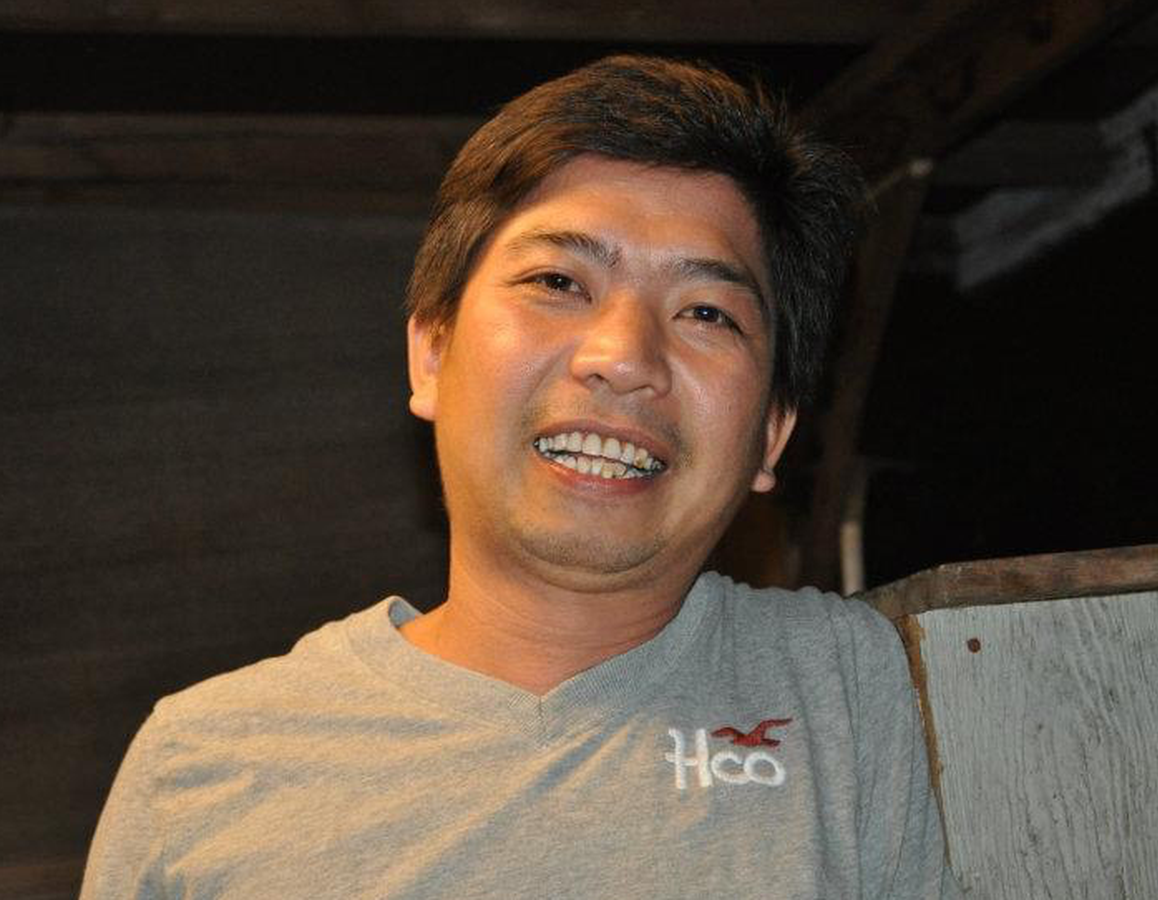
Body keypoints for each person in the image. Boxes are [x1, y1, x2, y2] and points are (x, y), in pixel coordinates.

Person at [82, 55, 961, 899]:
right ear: (432, 353)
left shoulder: (856, 687)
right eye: (557, 281)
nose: (623, 357)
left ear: (771, 433)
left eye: (705, 311)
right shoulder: (201, 767)